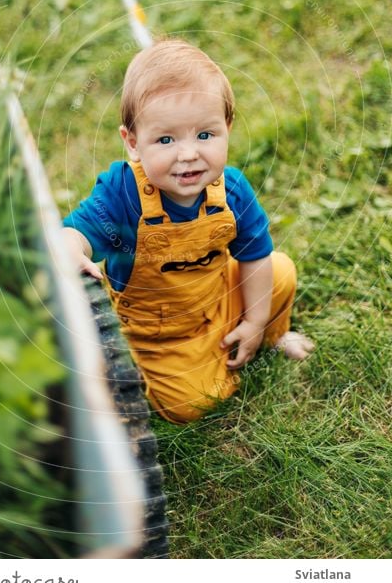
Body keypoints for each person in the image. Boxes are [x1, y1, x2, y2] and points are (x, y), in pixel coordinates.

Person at [62, 40, 314, 423]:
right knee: (192, 405)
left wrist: (255, 322)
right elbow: (77, 231)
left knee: (280, 272)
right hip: (162, 333)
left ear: (227, 128)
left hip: (216, 297)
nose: (188, 154)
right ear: (132, 143)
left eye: (205, 135)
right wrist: (66, 247)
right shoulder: (123, 193)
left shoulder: (231, 191)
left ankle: (268, 336)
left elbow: (255, 256)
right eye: (166, 140)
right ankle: (165, 367)